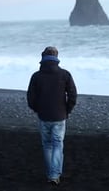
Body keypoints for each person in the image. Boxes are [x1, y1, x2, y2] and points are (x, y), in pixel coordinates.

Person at [27, 46, 77, 185]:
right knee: (57, 145)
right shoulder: (65, 74)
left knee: (47, 145)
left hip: (44, 115)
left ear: (42, 57)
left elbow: (30, 97)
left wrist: (37, 109)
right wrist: (68, 110)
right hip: (60, 115)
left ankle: (52, 174)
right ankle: (54, 175)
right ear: (56, 57)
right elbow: (72, 95)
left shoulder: (36, 76)